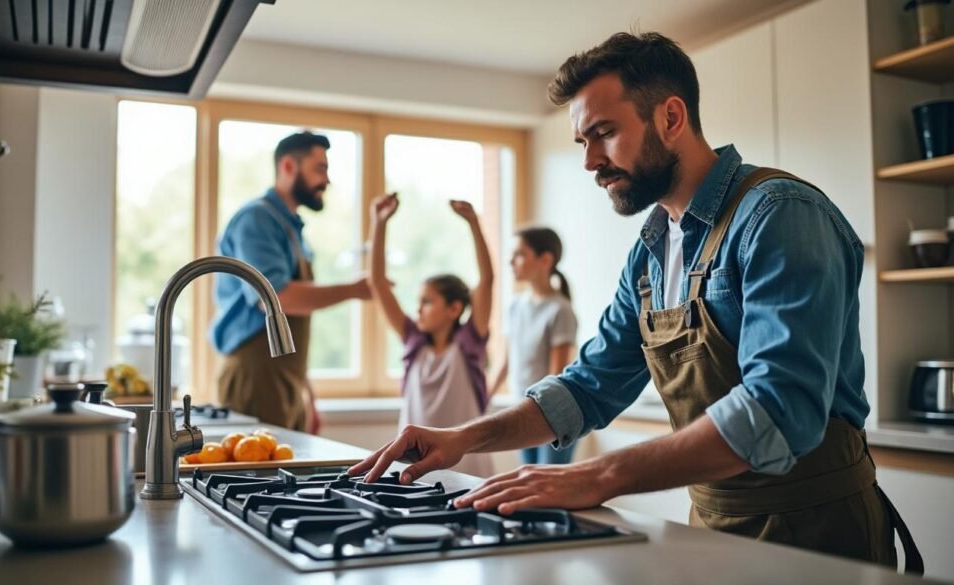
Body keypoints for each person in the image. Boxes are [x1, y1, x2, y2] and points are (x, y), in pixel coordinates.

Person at [348, 32, 922, 572]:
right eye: (582, 141)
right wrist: (465, 437)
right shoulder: (650, 252)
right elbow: (587, 386)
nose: (590, 161)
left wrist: (601, 475)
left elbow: (779, 410)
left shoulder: (779, 216)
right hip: (712, 527)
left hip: (818, 538)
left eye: (603, 132)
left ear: (671, 117)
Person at [210, 131, 371, 432]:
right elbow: (277, 298)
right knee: (256, 476)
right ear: (287, 167)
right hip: (256, 377)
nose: (327, 180)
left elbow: (286, 330)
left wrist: (307, 394)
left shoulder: (289, 227)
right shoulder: (257, 220)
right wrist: (354, 290)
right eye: (319, 168)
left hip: (285, 380)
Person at [367, 193, 494, 477]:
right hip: (413, 462)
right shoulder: (413, 341)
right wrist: (379, 223)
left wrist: (474, 223)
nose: (419, 309)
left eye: (427, 301)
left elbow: (487, 280)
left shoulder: (469, 342)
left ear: (454, 309)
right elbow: (377, 283)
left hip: (468, 464)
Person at [489, 227, 578, 465]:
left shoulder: (560, 310)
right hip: (523, 412)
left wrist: (535, 412)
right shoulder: (514, 306)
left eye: (519, 254)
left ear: (545, 260)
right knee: (527, 480)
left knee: (550, 486)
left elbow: (555, 375)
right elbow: (505, 361)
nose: (511, 261)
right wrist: (484, 395)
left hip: (552, 415)